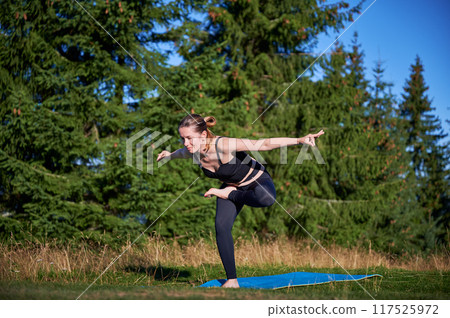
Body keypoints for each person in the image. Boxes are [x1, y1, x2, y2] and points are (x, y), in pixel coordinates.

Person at [157, 114, 324, 288]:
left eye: (189, 138)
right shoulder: (191, 151)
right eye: (182, 138)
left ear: (203, 135)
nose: (185, 143)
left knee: (267, 198)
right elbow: (179, 154)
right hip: (231, 186)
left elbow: (264, 144)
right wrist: (168, 155)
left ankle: (228, 194)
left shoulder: (223, 145)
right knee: (221, 227)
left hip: (257, 182)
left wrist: (299, 140)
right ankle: (232, 280)